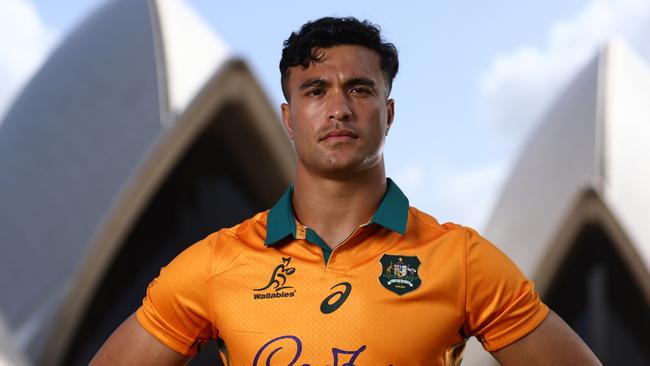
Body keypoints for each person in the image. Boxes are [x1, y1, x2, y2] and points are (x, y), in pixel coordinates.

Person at [92, 17, 601, 365]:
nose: (339, 108)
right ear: (289, 119)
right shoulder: (216, 263)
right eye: (316, 91)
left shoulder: (460, 260)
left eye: (360, 89)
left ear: (389, 113)